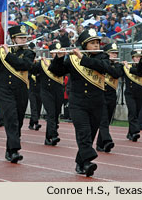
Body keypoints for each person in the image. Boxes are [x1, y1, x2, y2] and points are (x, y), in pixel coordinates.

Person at [49, 28, 109, 177]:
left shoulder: (103, 57)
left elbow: (104, 68)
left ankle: (80, 162)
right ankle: (88, 161)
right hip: (78, 103)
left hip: (96, 103)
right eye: (92, 43)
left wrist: (83, 58)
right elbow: (56, 71)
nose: (96, 46)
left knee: (92, 133)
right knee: (84, 133)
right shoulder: (72, 59)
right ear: (84, 45)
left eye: (97, 43)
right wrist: (58, 58)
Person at [0, 25, 36, 163]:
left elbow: (23, 65)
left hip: (21, 91)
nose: (23, 40)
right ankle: (14, 150)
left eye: (25, 37)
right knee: (11, 119)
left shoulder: (29, 53)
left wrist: (8, 54)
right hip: (5, 91)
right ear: (13, 39)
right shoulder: (1, 52)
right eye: (20, 38)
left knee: (18, 121)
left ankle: (9, 149)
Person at [32, 42, 64, 145]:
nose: (56, 54)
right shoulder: (42, 63)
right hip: (46, 91)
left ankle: (48, 137)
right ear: (51, 53)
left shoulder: (63, 63)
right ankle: (54, 135)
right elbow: (33, 71)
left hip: (58, 91)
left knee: (56, 114)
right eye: (55, 53)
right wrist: (33, 63)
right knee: (51, 113)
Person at [96, 43, 124, 152]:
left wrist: (109, 64)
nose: (114, 55)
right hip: (101, 94)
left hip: (111, 95)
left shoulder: (118, 65)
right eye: (112, 53)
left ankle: (100, 144)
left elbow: (116, 73)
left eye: (115, 53)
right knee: (103, 120)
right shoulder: (100, 64)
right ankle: (107, 141)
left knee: (107, 121)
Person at [122, 50, 142, 142]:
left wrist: (128, 67)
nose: (138, 58)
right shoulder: (126, 67)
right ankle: (135, 132)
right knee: (132, 111)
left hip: (140, 93)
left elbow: (140, 73)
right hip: (129, 93)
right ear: (132, 58)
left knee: (136, 113)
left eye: (140, 57)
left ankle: (130, 133)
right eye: (136, 57)